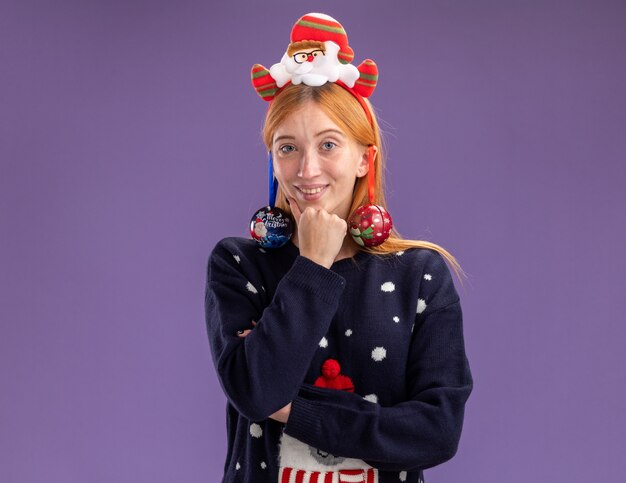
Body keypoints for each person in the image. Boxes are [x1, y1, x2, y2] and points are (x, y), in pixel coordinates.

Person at [205, 12, 472, 483]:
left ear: (364, 158)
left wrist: (295, 409)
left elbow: (436, 432)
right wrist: (312, 264)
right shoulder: (239, 263)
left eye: (328, 144)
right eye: (287, 148)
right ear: (272, 158)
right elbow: (257, 391)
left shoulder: (420, 274)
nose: (306, 169)